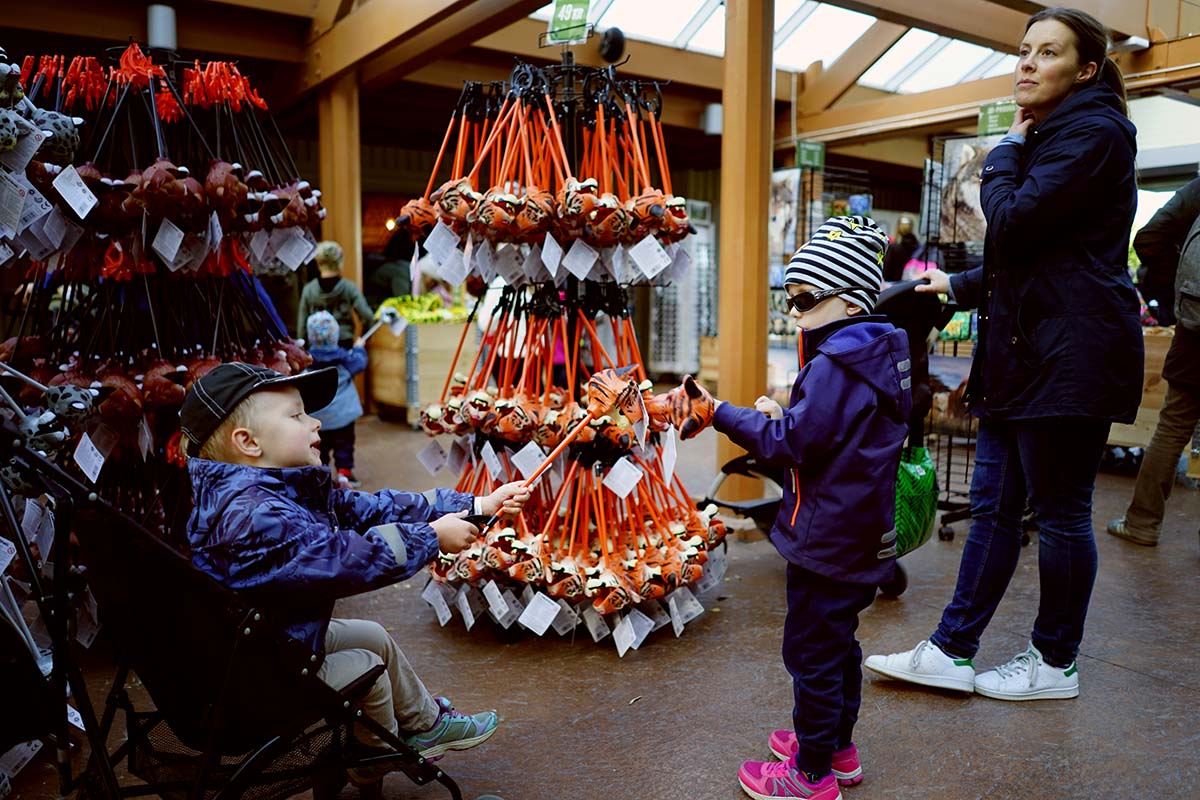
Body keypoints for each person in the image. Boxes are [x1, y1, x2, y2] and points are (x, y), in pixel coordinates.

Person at [866, 7, 1142, 702]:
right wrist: (955, 283)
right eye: (1023, 49)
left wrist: (1002, 157)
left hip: (1069, 355)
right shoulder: (1054, 135)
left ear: (1084, 70)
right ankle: (953, 651)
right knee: (993, 508)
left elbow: (1015, 224)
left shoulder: (1094, 134)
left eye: (1046, 53)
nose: (1025, 62)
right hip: (1027, 354)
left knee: (1061, 513)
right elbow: (1043, 253)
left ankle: (1055, 663)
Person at [179, 362, 530, 782]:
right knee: (368, 668)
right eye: (296, 416)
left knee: (372, 635)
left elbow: (372, 508)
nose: (316, 421)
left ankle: (426, 725)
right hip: (255, 678)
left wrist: (475, 505)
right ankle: (369, 763)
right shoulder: (253, 515)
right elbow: (345, 558)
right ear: (248, 442)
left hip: (269, 639)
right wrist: (431, 539)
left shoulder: (273, 490)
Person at [709, 216, 912, 800]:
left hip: (826, 537)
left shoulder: (832, 366)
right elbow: (823, 437)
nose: (793, 313)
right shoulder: (877, 354)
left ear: (848, 302)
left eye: (803, 300)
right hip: (859, 531)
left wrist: (722, 414)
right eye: (789, 300)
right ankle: (836, 748)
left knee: (811, 654)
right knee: (839, 644)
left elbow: (790, 446)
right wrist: (784, 418)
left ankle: (813, 774)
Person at [1108, 176, 1200, 546]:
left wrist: (1176, 293)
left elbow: (1148, 238)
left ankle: (1142, 523)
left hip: (1197, 329)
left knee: (1174, 425)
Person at [306, 310, 368, 488]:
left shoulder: (307, 361)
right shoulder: (345, 359)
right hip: (344, 416)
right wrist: (359, 347)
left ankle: (322, 477)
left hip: (319, 418)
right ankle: (344, 476)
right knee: (345, 447)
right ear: (335, 335)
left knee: (319, 449)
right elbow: (360, 361)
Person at [298, 241, 375, 347]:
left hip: (317, 349)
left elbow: (302, 326)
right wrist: (363, 338)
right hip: (344, 345)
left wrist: (304, 349)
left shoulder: (309, 290)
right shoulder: (349, 288)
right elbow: (367, 316)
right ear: (340, 262)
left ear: (318, 263)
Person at [882, 216, 919, 283]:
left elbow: (886, 272)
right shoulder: (918, 247)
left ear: (897, 228)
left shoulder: (893, 248)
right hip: (911, 285)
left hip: (894, 286)